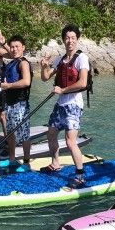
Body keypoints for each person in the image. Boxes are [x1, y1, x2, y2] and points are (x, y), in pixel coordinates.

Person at [40, 24, 89, 188]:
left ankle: (81, 175)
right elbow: (45, 78)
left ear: (77, 39)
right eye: (67, 38)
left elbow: (82, 82)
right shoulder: (60, 59)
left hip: (73, 105)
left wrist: (63, 90)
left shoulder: (82, 58)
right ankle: (55, 164)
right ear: (63, 40)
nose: (70, 41)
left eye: (73, 38)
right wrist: (44, 66)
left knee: (70, 141)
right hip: (60, 105)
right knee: (51, 133)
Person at [0, 35, 33, 166]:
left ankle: (26, 162)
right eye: (12, 47)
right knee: (11, 132)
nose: (14, 49)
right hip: (10, 103)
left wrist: (9, 86)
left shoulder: (23, 63)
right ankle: (12, 159)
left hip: (21, 104)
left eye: (17, 46)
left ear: (23, 47)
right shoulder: (13, 61)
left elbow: (26, 81)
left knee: (24, 134)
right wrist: (3, 44)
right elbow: (12, 54)